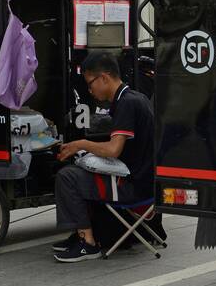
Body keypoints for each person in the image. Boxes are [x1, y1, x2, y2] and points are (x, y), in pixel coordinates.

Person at [52, 53, 154, 262]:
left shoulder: (126, 103)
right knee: (80, 168)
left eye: (90, 84)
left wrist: (79, 145)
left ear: (105, 78)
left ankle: (87, 243)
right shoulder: (135, 97)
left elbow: (114, 150)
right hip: (145, 181)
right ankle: (82, 234)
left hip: (133, 186)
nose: (90, 90)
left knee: (67, 176)